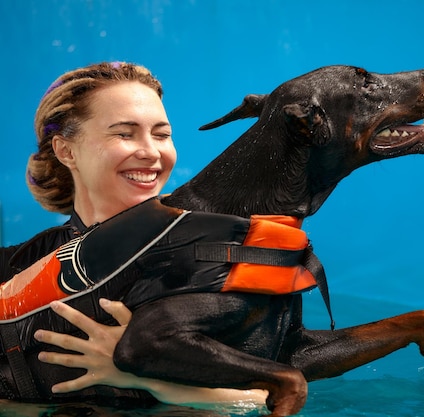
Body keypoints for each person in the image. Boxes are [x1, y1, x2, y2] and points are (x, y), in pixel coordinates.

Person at [0, 61, 266, 406]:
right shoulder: (12, 269)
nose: (151, 152)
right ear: (66, 151)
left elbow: (270, 396)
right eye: (124, 134)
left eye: (161, 134)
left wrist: (136, 375)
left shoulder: (209, 263)